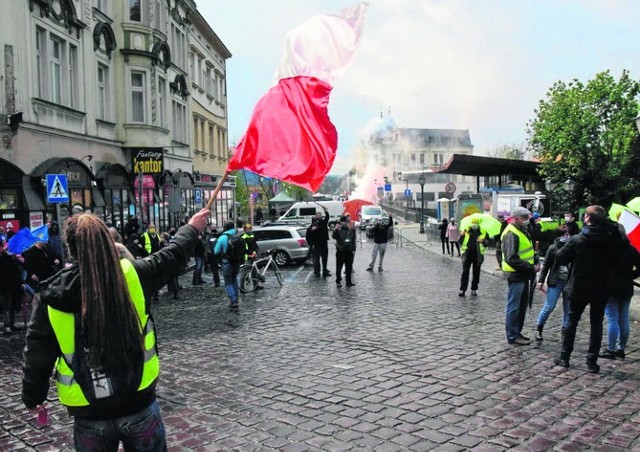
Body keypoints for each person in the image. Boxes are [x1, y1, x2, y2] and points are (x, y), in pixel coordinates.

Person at [22, 209, 209, 450]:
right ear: (108, 241)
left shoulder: (51, 295)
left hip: (88, 412)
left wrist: (33, 398)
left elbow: (37, 353)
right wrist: (191, 227)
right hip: (138, 402)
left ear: (70, 248)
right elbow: (173, 255)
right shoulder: (133, 274)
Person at [554, 205, 623, 373]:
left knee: (572, 321)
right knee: (596, 324)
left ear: (588, 219)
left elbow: (561, 257)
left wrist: (560, 245)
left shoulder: (578, 239)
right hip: (601, 286)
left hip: (579, 285)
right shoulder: (612, 238)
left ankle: (565, 357)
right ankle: (592, 362)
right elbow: (618, 259)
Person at [501, 207, 540, 345]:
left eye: (527, 217)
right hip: (516, 274)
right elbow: (511, 258)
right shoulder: (511, 233)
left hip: (523, 274)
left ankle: (517, 332)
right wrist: (531, 267)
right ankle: (512, 335)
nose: (527, 220)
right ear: (516, 218)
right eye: (524, 218)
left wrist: (534, 261)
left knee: (521, 306)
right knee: (514, 306)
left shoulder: (521, 230)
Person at [600, 235, 640, 360]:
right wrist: (630, 276)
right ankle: (621, 348)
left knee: (612, 319)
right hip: (626, 287)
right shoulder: (631, 249)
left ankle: (611, 349)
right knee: (624, 319)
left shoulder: (608, 250)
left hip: (610, 288)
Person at [534, 226, 571, 341]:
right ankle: (539, 329)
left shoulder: (572, 247)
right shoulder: (553, 248)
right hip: (556, 281)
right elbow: (546, 265)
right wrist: (541, 281)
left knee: (568, 309)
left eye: (568, 234)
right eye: (565, 234)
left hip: (569, 282)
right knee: (549, 306)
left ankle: (565, 332)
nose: (567, 236)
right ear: (560, 235)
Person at [458, 218, 487, 297]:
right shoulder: (466, 230)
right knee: (465, 272)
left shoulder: (483, 231)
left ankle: (474, 289)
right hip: (467, 254)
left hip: (478, 255)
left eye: (475, 223)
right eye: (473, 223)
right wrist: (461, 235)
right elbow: (460, 241)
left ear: (478, 224)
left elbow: (488, 242)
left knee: (476, 273)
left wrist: (483, 241)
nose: (474, 225)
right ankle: (462, 289)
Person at [214, 221, 241, 307]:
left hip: (227, 262)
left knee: (228, 282)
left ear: (225, 228)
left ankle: (233, 300)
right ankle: (236, 298)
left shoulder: (222, 238)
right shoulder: (238, 236)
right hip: (237, 262)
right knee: (234, 279)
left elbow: (216, 251)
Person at [0, 240, 24, 335]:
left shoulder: (13, 259)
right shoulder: (2, 258)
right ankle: (7, 326)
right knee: (7, 306)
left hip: (13, 286)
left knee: (12, 306)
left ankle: (11, 324)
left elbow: (18, 272)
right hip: (5, 287)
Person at [332, 215, 355, 287]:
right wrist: (336, 230)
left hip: (349, 251)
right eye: (346, 221)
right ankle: (338, 281)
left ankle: (348, 282)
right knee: (339, 267)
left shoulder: (350, 229)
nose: (347, 223)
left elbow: (353, 239)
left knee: (349, 267)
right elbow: (334, 237)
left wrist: (353, 248)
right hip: (341, 251)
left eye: (348, 221)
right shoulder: (338, 229)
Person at [312, 206, 331, 277]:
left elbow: (327, 217)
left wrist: (325, 211)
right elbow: (311, 232)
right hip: (317, 243)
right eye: (318, 215)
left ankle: (324, 271)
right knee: (317, 259)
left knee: (325, 258)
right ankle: (317, 272)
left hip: (324, 242)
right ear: (316, 216)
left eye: (320, 215)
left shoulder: (323, 222)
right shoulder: (314, 223)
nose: (319, 216)